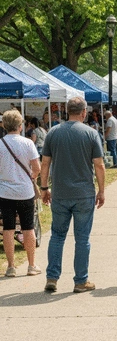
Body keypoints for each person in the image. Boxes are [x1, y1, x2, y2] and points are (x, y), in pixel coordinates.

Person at [40, 97, 105, 293]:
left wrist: (44, 188)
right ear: (84, 112)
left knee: (57, 236)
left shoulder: (53, 133)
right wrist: (102, 190)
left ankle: (52, 277)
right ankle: (80, 280)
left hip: (60, 192)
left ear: (67, 111)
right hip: (84, 193)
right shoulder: (91, 134)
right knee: (82, 238)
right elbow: (99, 165)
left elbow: (45, 163)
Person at [0, 110, 41, 277]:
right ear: (20, 125)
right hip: (25, 191)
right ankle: (31, 265)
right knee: (28, 227)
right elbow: (37, 168)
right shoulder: (27, 143)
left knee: (8, 229)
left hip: (5, 191)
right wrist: (32, 177)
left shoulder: (1, 143)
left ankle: (11, 266)